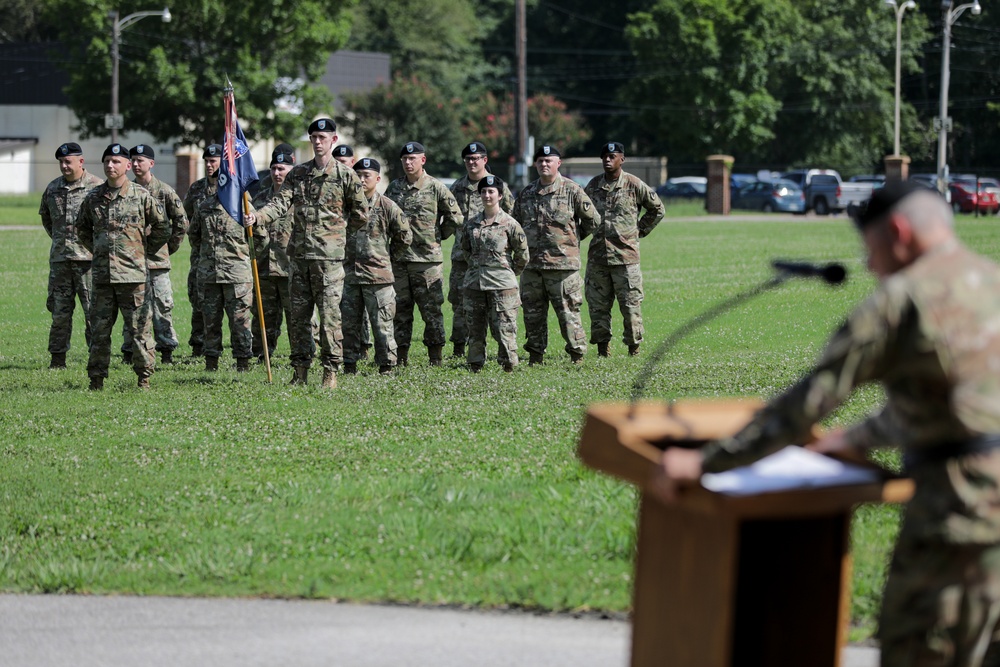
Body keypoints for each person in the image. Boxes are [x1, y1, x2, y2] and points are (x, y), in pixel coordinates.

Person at [655, 182, 1000, 667]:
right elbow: (952, 405)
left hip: (961, 518)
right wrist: (853, 439)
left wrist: (704, 461)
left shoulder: (903, 299)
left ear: (898, 233)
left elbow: (804, 406)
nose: (870, 266)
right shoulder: (991, 279)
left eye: (870, 250)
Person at [250, 118, 368, 389]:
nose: (317, 141)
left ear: (333, 140)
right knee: (299, 318)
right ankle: (300, 370)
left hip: (328, 260)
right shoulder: (298, 173)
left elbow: (361, 214)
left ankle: (330, 372)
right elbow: (279, 204)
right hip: (300, 258)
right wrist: (257, 217)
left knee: (329, 318)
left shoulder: (345, 175)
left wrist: (338, 235)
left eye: (323, 137)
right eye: (314, 136)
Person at [76, 143, 169, 390]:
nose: (110, 165)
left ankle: (144, 378)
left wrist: (142, 251)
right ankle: (96, 379)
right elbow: (82, 228)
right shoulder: (93, 198)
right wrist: (98, 250)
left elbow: (162, 227)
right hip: (103, 278)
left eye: (116, 161)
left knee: (139, 331)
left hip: (133, 277)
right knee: (99, 332)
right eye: (107, 161)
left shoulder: (141, 196)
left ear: (128, 166)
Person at [511, 144, 598, 365]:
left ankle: (576, 355)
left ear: (558, 163)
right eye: (540, 161)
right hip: (532, 267)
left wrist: (572, 241)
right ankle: (535, 355)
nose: (544, 164)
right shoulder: (527, 193)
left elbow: (593, 221)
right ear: (535, 164)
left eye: (549, 160)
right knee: (532, 314)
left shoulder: (572, 190)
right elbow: (515, 225)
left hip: (562, 267)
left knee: (568, 314)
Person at [385, 141, 463, 366]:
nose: (408, 163)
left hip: (427, 262)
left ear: (423, 160)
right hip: (399, 260)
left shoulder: (435, 187)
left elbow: (456, 218)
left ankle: (435, 357)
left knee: (431, 311)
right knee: (399, 311)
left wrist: (439, 235)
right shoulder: (394, 187)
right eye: (405, 159)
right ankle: (400, 357)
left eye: (413, 159)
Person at [584, 142, 664, 357]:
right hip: (598, 258)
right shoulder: (592, 186)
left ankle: (633, 348)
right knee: (598, 307)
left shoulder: (633, 184)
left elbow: (657, 209)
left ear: (622, 159)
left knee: (630, 307)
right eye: (604, 157)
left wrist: (638, 231)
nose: (607, 160)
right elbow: (582, 215)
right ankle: (603, 349)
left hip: (625, 258)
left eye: (612, 156)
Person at [188, 163, 264, 373]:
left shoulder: (245, 207)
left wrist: (241, 257)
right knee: (210, 322)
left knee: (240, 322)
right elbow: (194, 236)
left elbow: (261, 239)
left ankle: (243, 362)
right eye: (220, 179)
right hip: (209, 275)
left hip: (237, 276)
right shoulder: (204, 207)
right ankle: (211, 362)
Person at [342, 158, 412, 375]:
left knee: (382, 325)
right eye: (358, 175)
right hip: (349, 276)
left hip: (378, 278)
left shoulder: (388, 206)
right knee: (348, 325)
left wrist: (386, 258)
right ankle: (349, 364)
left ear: (378, 179)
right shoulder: (346, 206)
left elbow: (404, 236)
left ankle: (386, 366)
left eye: (367, 175)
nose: (362, 180)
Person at [120, 144, 188, 365]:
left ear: (151, 163)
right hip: (131, 262)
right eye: (134, 161)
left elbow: (181, 222)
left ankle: (166, 351)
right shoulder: (125, 189)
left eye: (141, 160)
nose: (137, 164)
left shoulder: (164, 191)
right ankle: (129, 351)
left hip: (157, 262)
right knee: (133, 307)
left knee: (161, 306)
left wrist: (168, 248)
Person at [39, 142, 103, 369]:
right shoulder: (53, 188)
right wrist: (60, 242)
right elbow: (47, 219)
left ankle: (96, 358)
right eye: (61, 162)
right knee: (59, 314)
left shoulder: (97, 187)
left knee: (93, 314)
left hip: (88, 262)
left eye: (68, 162)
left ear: (81, 162)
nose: (64, 166)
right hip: (60, 262)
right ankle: (57, 359)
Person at [448, 141, 514, 359]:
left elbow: (513, 218)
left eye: (476, 158)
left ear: (485, 160)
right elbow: (448, 218)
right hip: (462, 257)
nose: (471, 162)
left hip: (493, 261)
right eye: (468, 159)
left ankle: (501, 351)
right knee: (459, 303)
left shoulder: (498, 186)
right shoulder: (456, 187)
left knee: (498, 307)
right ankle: (459, 348)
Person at [461, 175, 528, 373]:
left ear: (500, 196)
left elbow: (523, 254)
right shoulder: (472, 223)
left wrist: (508, 273)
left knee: (504, 329)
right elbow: (465, 249)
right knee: (474, 328)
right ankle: (475, 364)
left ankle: (508, 365)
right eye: (483, 191)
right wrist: (475, 269)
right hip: (475, 285)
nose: (487, 195)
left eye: (491, 192)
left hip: (502, 286)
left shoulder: (510, 224)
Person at [250, 144, 296, 361]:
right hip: (264, 268)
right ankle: (261, 355)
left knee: (297, 317)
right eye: (274, 169)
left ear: (291, 170)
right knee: (262, 318)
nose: (277, 173)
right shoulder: (259, 199)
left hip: (290, 269)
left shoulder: (300, 200)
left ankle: (302, 355)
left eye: (282, 169)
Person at [182, 144, 223, 357]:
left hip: (227, 258)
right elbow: (185, 215)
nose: (209, 165)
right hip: (200, 257)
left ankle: (229, 348)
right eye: (206, 161)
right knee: (198, 301)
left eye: (213, 161)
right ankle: (198, 346)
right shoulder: (196, 189)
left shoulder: (231, 189)